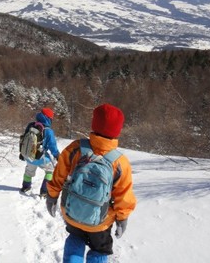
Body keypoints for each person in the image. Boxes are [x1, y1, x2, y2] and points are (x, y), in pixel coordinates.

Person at [45, 103, 137, 263]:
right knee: (99, 249)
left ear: (94, 123)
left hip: (72, 212)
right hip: (100, 222)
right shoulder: (120, 162)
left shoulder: (75, 148)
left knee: (75, 238)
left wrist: (51, 196)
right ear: (117, 131)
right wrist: (122, 218)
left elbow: (58, 176)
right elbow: (124, 196)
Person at [19, 107, 60, 197]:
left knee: (29, 171)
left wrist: (22, 153)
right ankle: (44, 191)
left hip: (29, 155)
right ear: (49, 118)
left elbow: (23, 139)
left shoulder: (30, 125)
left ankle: (25, 186)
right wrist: (57, 155)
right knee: (50, 171)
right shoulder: (48, 131)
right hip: (40, 157)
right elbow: (52, 146)